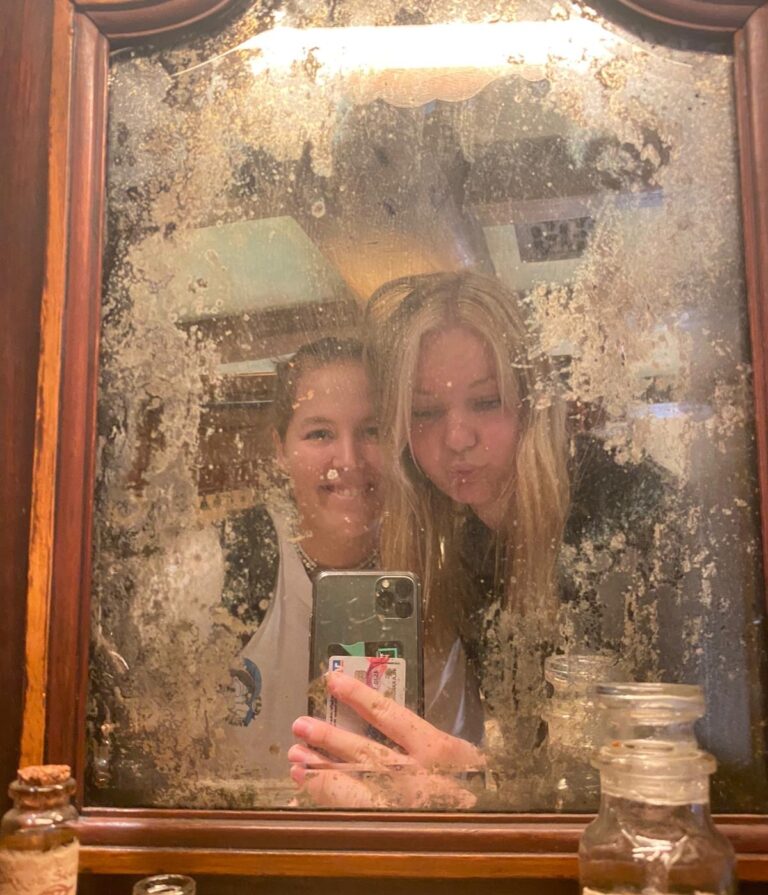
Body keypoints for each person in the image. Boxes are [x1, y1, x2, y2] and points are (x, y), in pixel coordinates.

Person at [289, 271, 572, 806]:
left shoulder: (612, 522)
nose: (457, 438)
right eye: (424, 412)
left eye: (486, 401)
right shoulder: (462, 548)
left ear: (532, 402)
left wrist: (479, 794)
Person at [218, 337, 383, 780]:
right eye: (319, 433)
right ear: (280, 449)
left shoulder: (431, 572)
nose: (348, 460)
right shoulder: (229, 562)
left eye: (372, 431)